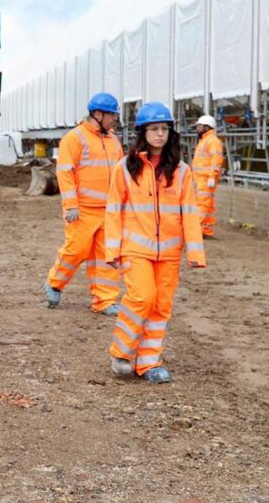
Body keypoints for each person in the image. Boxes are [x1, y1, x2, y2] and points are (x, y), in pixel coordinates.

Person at [104, 102, 205, 383]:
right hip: (135, 249)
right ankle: (122, 353)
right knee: (141, 297)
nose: (160, 134)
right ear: (143, 132)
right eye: (154, 129)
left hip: (169, 253)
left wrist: (195, 253)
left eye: (164, 128)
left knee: (161, 306)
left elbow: (190, 213)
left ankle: (148, 363)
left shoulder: (182, 171)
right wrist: (112, 250)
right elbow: (113, 210)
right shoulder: (125, 168)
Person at [42, 93, 125, 314]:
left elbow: (120, 174)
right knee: (76, 251)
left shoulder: (113, 140)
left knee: (107, 256)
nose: (114, 119)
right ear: (98, 114)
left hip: (109, 210)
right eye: (111, 115)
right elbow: (65, 172)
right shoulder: (74, 138)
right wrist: (71, 205)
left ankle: (105, 300)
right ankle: (54, 282)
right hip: (82, 210)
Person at [192, 114, 224, 237]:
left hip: (206, 178)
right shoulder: (205, 140)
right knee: (206, 204)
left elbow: (216, 160)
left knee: (203, 204)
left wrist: (212, 176)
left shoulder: (212, 141)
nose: (197, 129)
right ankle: (204, 230)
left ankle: (197, 230)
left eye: (199, 126)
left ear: (207, 127)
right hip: (201, 178)